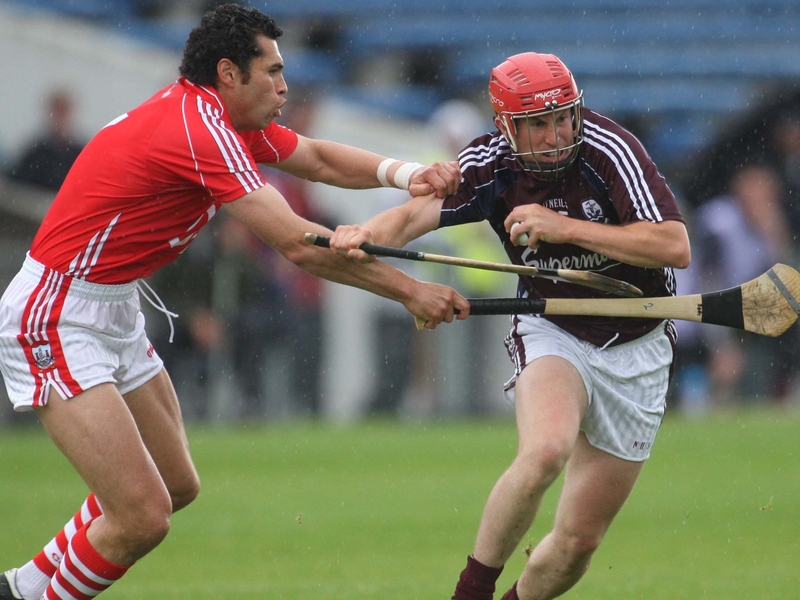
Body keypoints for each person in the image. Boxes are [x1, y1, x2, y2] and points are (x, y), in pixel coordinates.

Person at [0, 5, 469, 600]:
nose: (284, 85)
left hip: (112, 305)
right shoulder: (199, 130)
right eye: (272, 71)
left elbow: (317, 159)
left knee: (174, 484)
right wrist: (411, 291)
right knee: (141, 517)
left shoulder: (221, 117)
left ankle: (21, 587)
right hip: (57, 313)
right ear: (229, 72)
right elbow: (298, 245)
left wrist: (407, 175)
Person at [329, 52, 691, 600]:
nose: (555, 135)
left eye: (563, 118)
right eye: (538, 124)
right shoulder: (490, 163)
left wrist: (565, 228)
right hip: (555, 328)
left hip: (640, 345)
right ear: (507, 127)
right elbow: (411, 216)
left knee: (577, 544)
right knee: (545, 452)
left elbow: (673, 244)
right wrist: (366, 234)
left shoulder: (610, 150)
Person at [6, 89, 86, 192]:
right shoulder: (35, 153)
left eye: (63, 112)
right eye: (57, 111)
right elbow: (17, 185)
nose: (60, 118)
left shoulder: (80, 154)